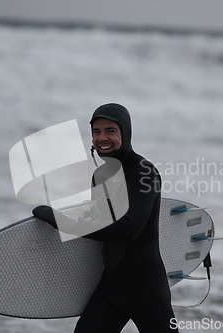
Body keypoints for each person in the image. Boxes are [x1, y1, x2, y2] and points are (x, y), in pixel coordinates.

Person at [33, 103, 178, 332]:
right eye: (96, 132)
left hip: (146, 290)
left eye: (110, 131)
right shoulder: (100, 175)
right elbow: (101, 224)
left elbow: (129, 229)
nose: (102, 138)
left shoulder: (144, 172)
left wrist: (64, 223)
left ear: (125, 132)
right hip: (112, 288)